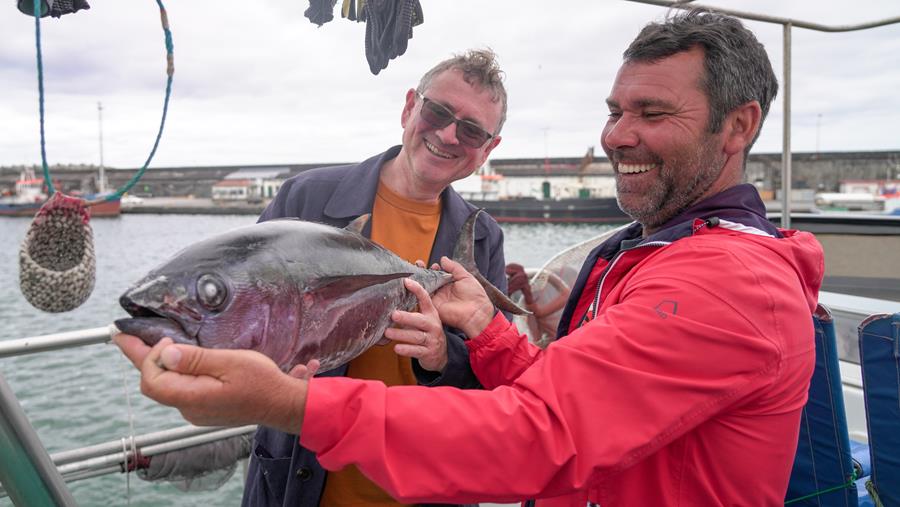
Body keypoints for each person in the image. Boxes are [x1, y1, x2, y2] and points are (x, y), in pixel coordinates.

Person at [115, 9, 825, 506]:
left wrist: (313, 393)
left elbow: (539, 431)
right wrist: (490, 331)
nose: (617, 136)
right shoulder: (643, 252)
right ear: (408, 106)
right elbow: (565, 399)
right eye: (616, 110)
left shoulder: (728, 283)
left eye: (654, 113)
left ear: (738, 126)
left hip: (418, 483)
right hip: (307, 481)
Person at [239, 49, 510, 506]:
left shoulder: (483, 237)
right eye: (437, 111)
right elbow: (245, 304)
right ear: (409, 106)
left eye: (471, 130)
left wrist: (443, 356)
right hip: (302, 482)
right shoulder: (306, 198)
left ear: (487, 150)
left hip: (429, 486)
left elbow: (490, 384)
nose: (447, 134)